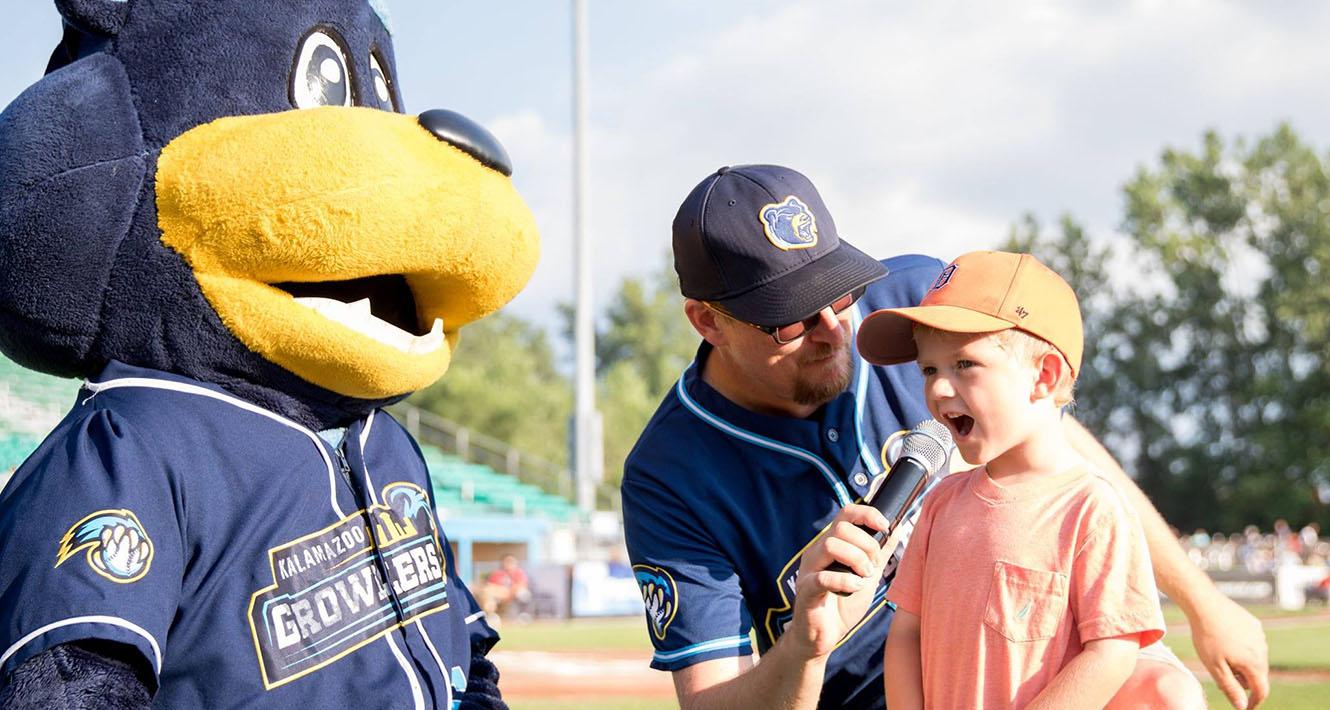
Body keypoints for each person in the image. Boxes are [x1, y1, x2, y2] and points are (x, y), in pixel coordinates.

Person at [619, 164, 1269, 710]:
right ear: (708, 321)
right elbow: (712, 700)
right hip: (865, 695)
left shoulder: (913, 304)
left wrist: (1202, 601)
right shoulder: (670, 474)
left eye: (837, 292)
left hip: (1026, 650)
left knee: (1162, 691)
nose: (832, 328)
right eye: (788, 318)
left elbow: (1062, 447)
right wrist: (805, 645)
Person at [862, 250, 1168, 708]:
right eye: (929, 369)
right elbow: (907, 632)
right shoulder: (940, 502)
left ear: (1043, 376)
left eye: (964, 364)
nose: (939, 388)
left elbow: (1112, 652)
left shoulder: (1092, 508)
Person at [478, 554, 532, 625]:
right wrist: (503, 592)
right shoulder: (498, 573)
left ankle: (523, 615)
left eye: (511, 562)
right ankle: (492, 616)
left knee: (523, 594)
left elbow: (521, 585)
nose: (509, 564)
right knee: (487, 592)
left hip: (514, 594)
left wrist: (510, 593)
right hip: (501, 595)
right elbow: (491, 586)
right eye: (507, 562)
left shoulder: (519, 572)